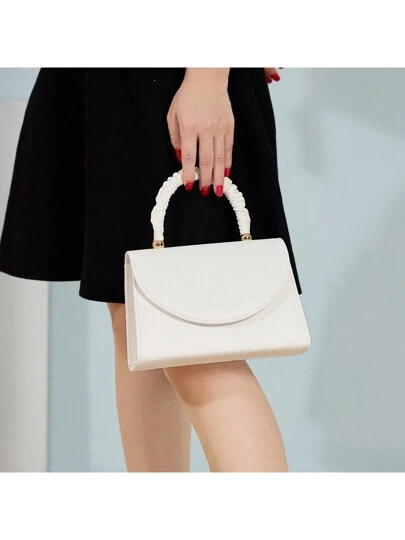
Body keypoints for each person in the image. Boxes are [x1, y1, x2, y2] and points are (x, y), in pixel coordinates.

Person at [0, 67, 301, 472]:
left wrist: (209, 75)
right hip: (108, 78)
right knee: (137, 320)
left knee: (197, 349)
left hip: (171, 76)